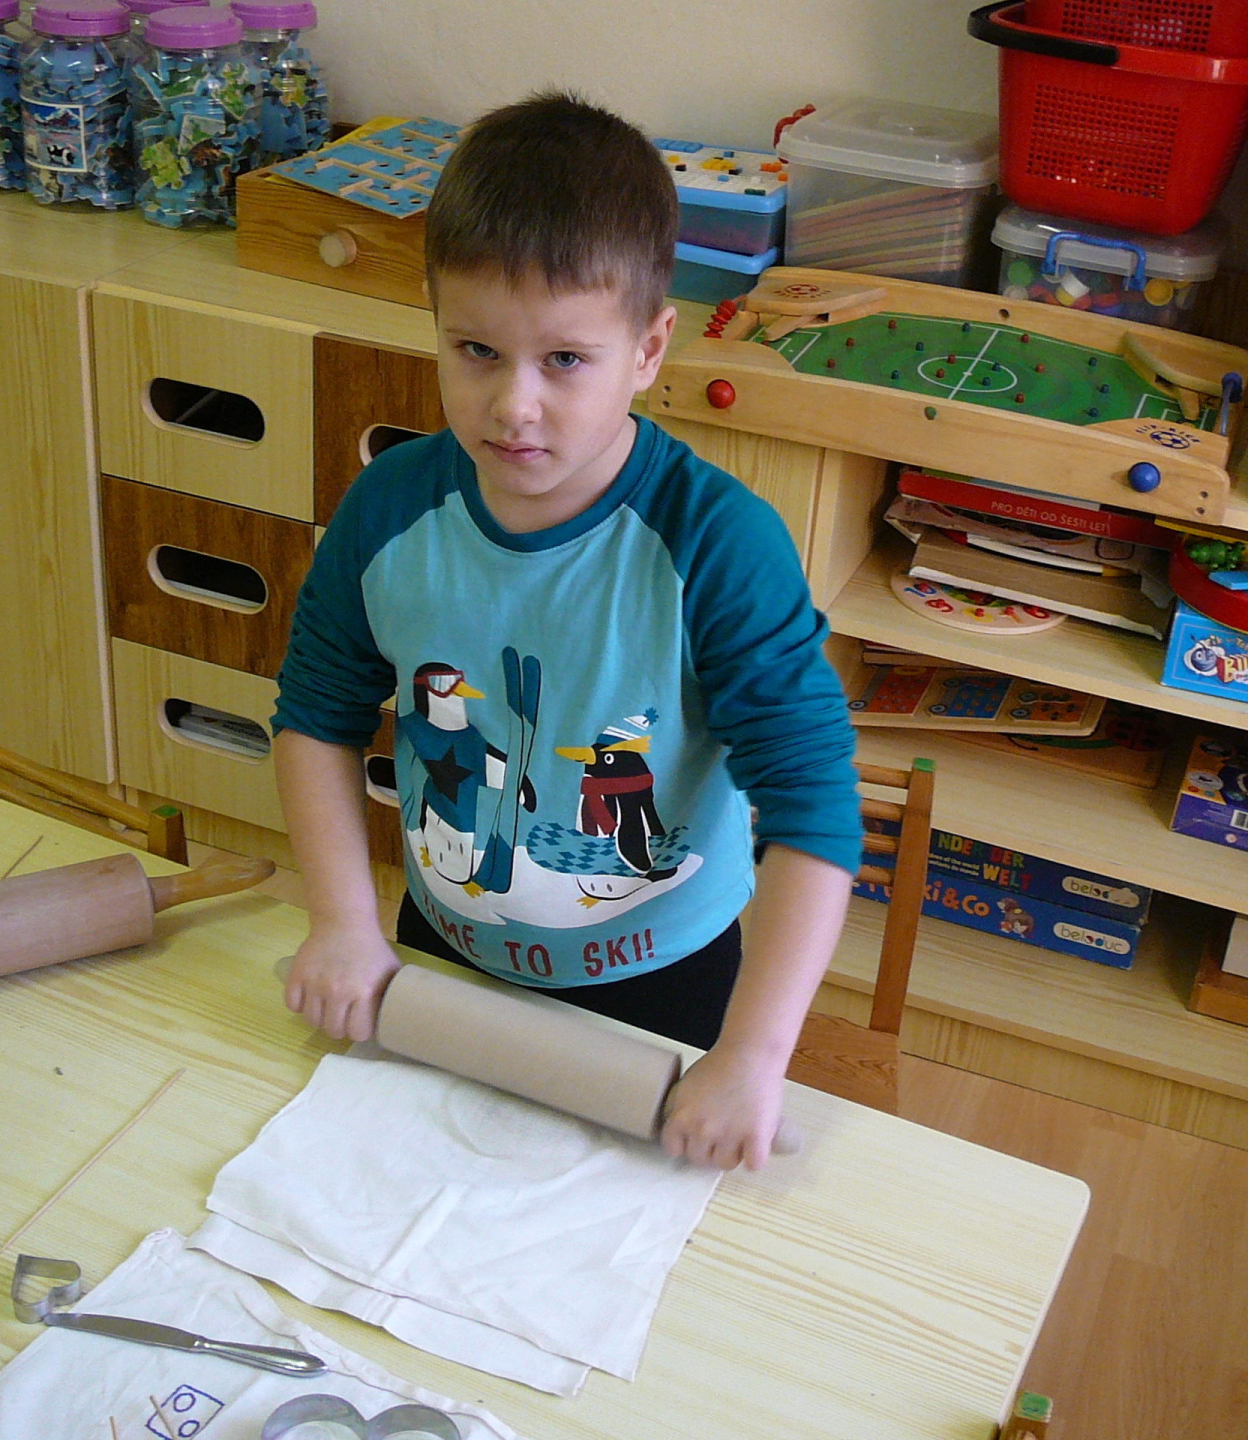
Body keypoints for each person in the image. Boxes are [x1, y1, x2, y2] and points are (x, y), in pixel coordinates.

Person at [273, 91, 862, 1171]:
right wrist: (342, 922)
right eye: (476, 350)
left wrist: (751, 1056)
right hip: (440, 951)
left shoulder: (720, 546)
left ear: (649, 347)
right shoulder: (389, 508)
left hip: (663, 982)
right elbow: (315, 717)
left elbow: (814, 813)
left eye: (565, 361)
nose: (514, 406)